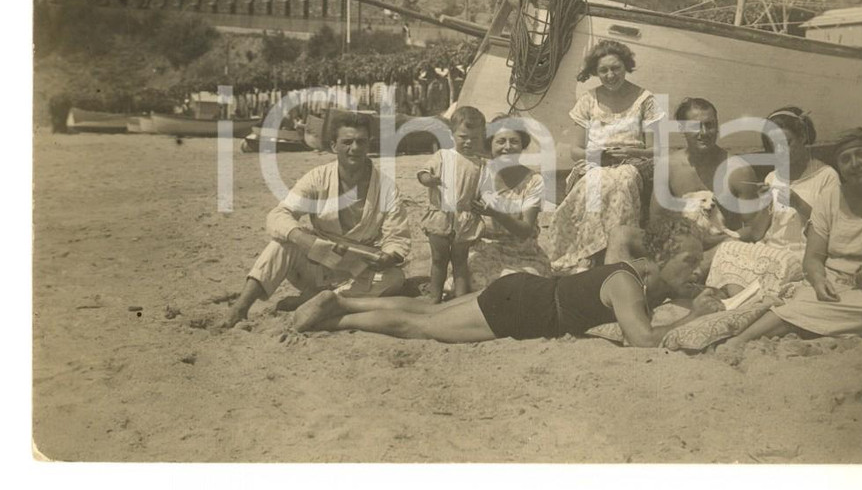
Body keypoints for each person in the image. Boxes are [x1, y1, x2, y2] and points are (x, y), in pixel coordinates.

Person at [290, 217, 724, 346]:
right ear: (659, 259)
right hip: (522, 308)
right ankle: (334, 322)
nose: (697, 269)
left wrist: (702, 300)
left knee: (430, 310)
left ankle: (343, 304)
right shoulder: (627, 284)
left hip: (523, 289)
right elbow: (643, 340)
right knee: (420, 327)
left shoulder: (635, 278)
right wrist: (693, 318)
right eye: (689, 261)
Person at [726, 127, 862, 343]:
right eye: (846, 159)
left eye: (861, 154)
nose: (855, 164)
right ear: (841, 166)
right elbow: (813, 257)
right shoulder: (829, 200)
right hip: (833, 280)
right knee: (806, 296)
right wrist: (818, 280)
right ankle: (741, 340)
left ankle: (802, 322)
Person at [222, 114, 411, 328]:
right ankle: (240, 307)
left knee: (395, 277)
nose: (355, 148)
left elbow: (398, 236)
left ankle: (321, 300)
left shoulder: (386, 187)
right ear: (333, 146)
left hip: (358, 268)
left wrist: (388, 256)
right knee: (281, 244)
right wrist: (303, 240)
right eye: (347, 142)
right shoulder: (318, 178)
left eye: (361, 141)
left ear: (369, 144)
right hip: (317, 262)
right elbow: (278, 215)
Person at [545, 40, 665, 271]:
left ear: (626, 66)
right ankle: (586, 253)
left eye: (616, 68)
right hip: (596, 163)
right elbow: (575, 151)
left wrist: (630, 151)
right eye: (603, 70)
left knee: (623, 180)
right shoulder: (589, 100)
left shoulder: (644, 99)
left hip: (634, 163)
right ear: (595, 72)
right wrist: (597, 154)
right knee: (595, 182)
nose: (610, 75)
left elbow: (657, 149)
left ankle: (614, 253)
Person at [704, 106, 841, 298]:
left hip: (802, 256)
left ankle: (742, 301)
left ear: (803, 136)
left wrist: (798, 204)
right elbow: (758, 232)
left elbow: (832, 230)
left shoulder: (826, 176)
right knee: (727, 248)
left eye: (787, 142)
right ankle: (742, 301)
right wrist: (765, 204)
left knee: (776, 263)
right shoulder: (772, 177)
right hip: (771, 251)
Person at [649, 97, 759, 272]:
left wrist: (718, 241)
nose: (704, 132)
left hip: (720, 249)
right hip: (679, 247)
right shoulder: (668, 167)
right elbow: (655, 223)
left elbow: (755, 228)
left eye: (710, 125)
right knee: (621, 235)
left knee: (727, 247)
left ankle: (680, 278)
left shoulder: (738, 170)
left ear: (717, 126)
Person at [467, 115, 551, 288]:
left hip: (523, 254)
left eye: (514, 141)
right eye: (501, 141)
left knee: (521, 285)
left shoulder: (533, 181)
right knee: (479, 281)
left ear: (522, 146)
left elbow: (525, 231)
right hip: (486, 251)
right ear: (490, 144)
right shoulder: (479, 173)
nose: (507, 147)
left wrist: (496, 213)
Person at [417, 106, 487, 303]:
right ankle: (434, 297)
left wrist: (484, 200)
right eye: (463, 136)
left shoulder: (481, 164)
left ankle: (460, 300)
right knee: (439, 260)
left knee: (460, 261)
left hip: (465, 218)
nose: (469, 142)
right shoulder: (442, 155)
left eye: (475, 138)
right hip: (440, 214)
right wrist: (428, 179)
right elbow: (423, 173)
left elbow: (484, 189)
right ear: (452, 134)